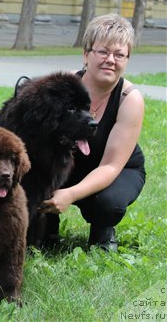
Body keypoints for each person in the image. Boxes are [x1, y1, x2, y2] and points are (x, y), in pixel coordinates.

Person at [39, 14, 145, 251]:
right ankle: (46, 227)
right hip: (68, 163)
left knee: (109, 203)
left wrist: (70, 194)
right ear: (86, 54)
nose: (111, 60)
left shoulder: (130, 99)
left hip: (116, 169)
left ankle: (103, 229)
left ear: (127, 60)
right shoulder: (63, 86)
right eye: (103, 52)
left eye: (119, 54)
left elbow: (111, 167)